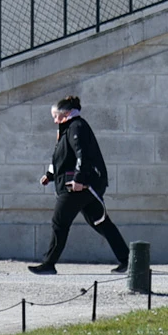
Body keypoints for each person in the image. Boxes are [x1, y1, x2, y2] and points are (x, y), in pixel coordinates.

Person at [27, 95, 129, 275]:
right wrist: (49, 175)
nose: (54, 119)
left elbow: (83, 155)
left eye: (55, 116)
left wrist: (79, 180)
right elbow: (62, 157)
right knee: (101, 222)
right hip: (82, 186)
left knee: (59, 223)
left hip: (77, 187)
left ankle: (49, 263)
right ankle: (128, 260)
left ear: (65, 114)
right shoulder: (68, 128)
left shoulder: (77, 127)